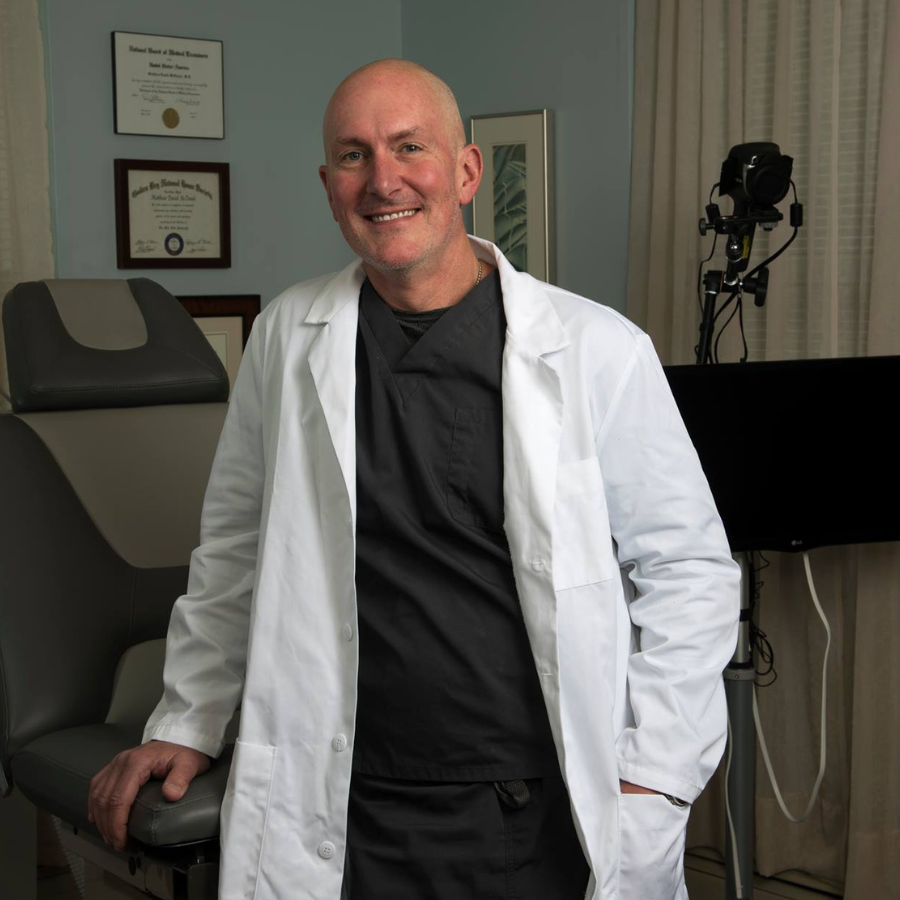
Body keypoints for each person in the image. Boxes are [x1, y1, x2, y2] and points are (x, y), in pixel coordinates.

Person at [88, 58, 740, 900]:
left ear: (466, 171)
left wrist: (655, 775)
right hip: (343, 798)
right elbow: (237, 550)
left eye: (408, 147)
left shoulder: (597, 349)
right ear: (328, 185)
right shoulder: (290, 332)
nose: (382, 181)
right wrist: (187, 720)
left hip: (526, 802)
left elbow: (688, 570)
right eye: (354, 156)